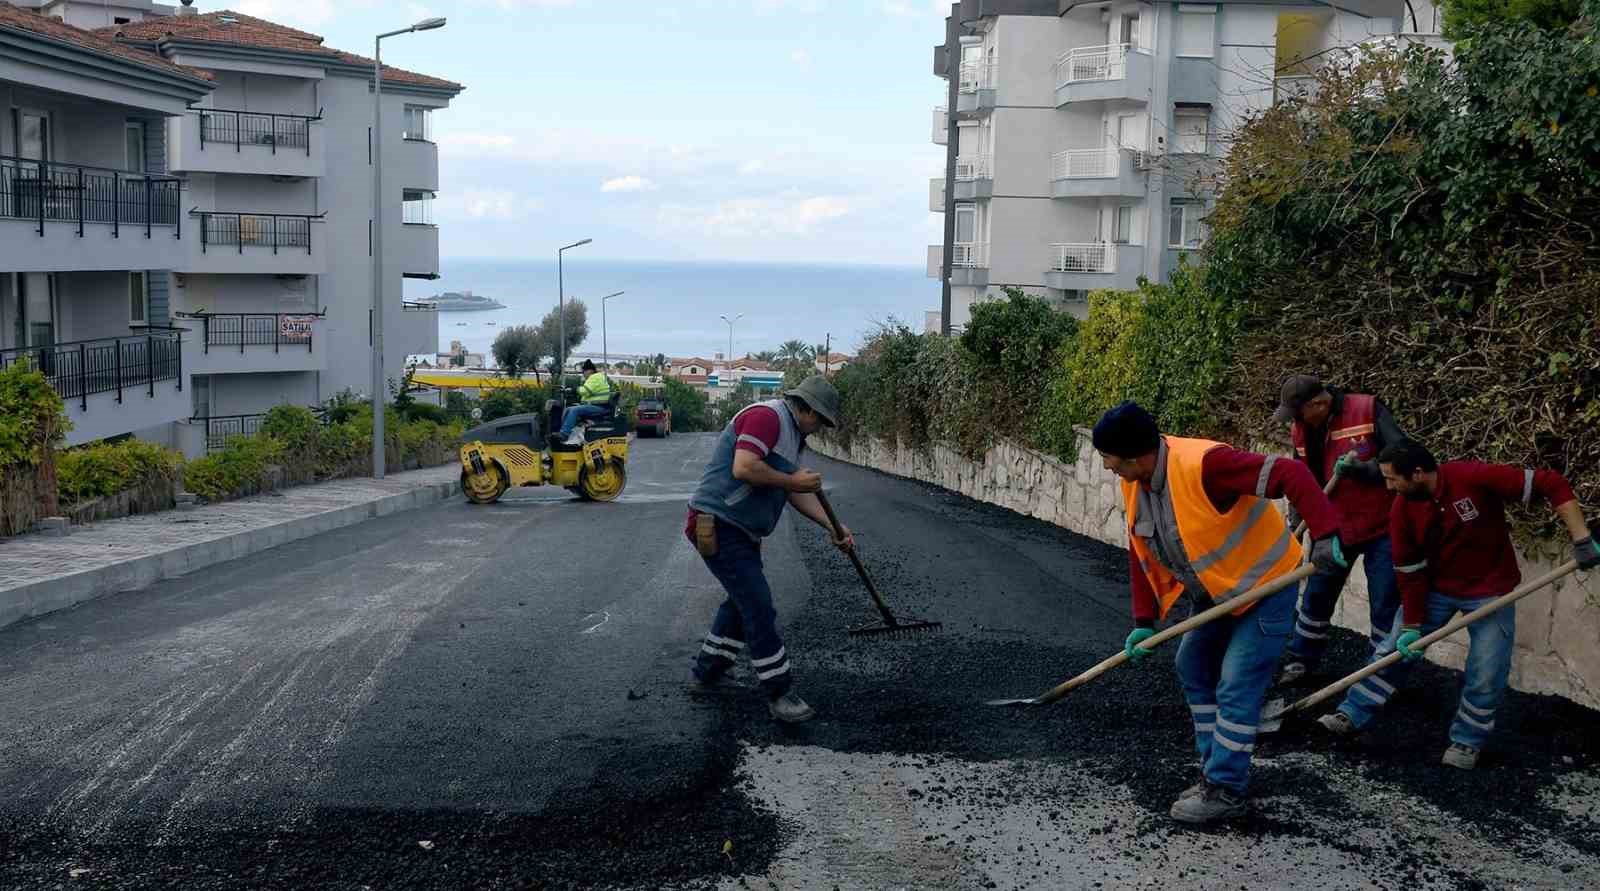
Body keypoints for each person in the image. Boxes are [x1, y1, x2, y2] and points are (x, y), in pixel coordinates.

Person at [1095, 401, 1347, 824]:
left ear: (1135, 457)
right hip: (1216, 595)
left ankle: (1226, 789)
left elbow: (1291, 473)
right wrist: (1143, 623)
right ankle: (1214, 770)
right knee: (1192, 665)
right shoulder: (1136, 483)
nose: (1107, 468)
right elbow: (1142, 551)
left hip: (1266, 588)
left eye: (1110, 460)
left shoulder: (1207, 465)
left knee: (1236, 683)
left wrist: (1325, 535)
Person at [1317, 440, 1600, 769]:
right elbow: (1409, 573)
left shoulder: (1472, 477)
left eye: (1392, 478)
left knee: (1486, 670)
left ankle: (1467, 742)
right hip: (1435, 589)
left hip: (1491, 591)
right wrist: (1411, 626)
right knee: (1391, 650)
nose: (1388, 486)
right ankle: (1351, 713)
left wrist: (1580, 538)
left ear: (1419, 474)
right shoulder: (1402, 510)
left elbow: (1550, 482)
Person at [685, 376, 854, 723]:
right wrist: (794, 480)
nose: (820, 428)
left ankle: (708, 673)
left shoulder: (795, 436)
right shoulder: (767, 418)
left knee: (741, 601)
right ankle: (779, 692)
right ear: (804, 407)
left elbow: (792, 492)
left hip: (740, 528)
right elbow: (744, 467)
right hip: (717, 522)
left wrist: (833, 527)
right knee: (758, 604)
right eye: (819, 419)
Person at [1272, 375, 1410, 684]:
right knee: (1317, 594)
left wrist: (1366, 470)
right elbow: (1299, 480)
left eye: (1297, 413)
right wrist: (1298, 521)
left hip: (1382, 526)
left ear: (1318, 404)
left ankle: (1379, 671)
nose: (1293, 421)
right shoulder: (1301, 430)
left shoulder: (1367, 410)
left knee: (1384, 601)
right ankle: (1301, 659)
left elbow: (1404, 456)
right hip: (1333, 527)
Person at [558, 360, 613, 444]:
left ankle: (564, 434)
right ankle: (565, 434)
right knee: (569, 409)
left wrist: (574, 389)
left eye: (583, 372)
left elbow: (586, 391)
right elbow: (587, 395)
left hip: (599, 407)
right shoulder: (597, 377)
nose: (583, 374)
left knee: (574, 410)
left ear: (589, 370)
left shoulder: (595, 377)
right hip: (597, 406)